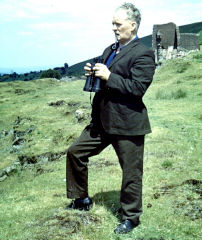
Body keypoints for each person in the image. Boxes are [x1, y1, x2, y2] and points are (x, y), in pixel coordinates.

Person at [65, 2, 155, 234]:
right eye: (113, 24)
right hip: (103, 122)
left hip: (128, 124)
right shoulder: (111, 49)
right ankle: (81, 199)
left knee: (131, 173)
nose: (114, 28)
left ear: (132, 26)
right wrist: (94, 71)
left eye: (118, 24)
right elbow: (104, 74)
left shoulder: (144, 54)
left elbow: (136, 88)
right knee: (76, 152)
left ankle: (131, 218)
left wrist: (109, 75)